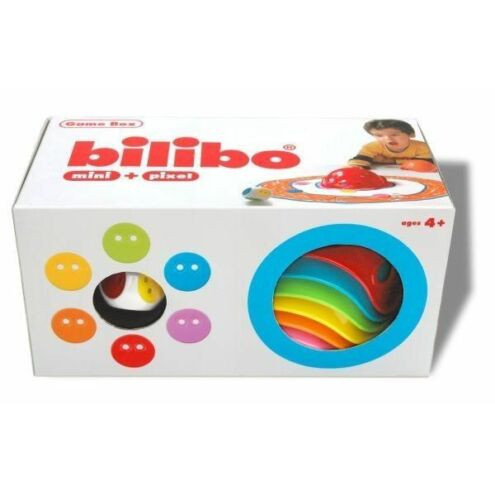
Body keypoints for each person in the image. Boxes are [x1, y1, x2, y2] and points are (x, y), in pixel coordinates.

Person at [348, 119, 433, 167]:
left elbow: (427, 163)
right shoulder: (371, 147)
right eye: (379, 135)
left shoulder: (423, 147)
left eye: (394, 134)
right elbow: (358, 161)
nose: (388, 139)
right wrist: (355, 168)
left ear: (411, 134)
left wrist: (390, 161)